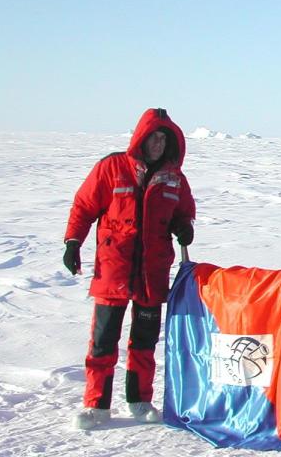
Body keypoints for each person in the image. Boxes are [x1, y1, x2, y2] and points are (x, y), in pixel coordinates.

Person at [63, 108, 196, 430]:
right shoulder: (112, 168)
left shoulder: (174, 178)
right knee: (103, 342)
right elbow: (83, 207)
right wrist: (72, 242)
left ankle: (139, 400)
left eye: (164, 139)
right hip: (114, 270)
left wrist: (184, 225)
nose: (158, 144)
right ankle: (96, 405)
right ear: (141, 138)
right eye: (153, 137)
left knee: (145, 342)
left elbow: (184, 210)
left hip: (152, 273)